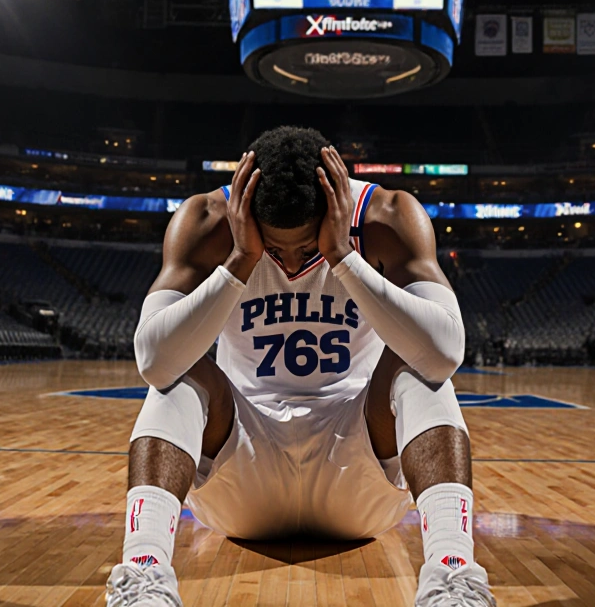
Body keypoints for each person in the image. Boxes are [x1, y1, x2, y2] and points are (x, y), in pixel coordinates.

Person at [106, 126, 496, 607]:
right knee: (176, 374)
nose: (291, 263)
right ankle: (143, 578)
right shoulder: (207, 219)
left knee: (421, 369)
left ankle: (452, 578)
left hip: (359, 470)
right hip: (240, 473)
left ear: (335, 207)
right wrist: (241, 259)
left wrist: (343, 256)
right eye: (276, 249)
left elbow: (446, 352)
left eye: (307, 248)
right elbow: (152, 361)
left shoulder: (387, 216)